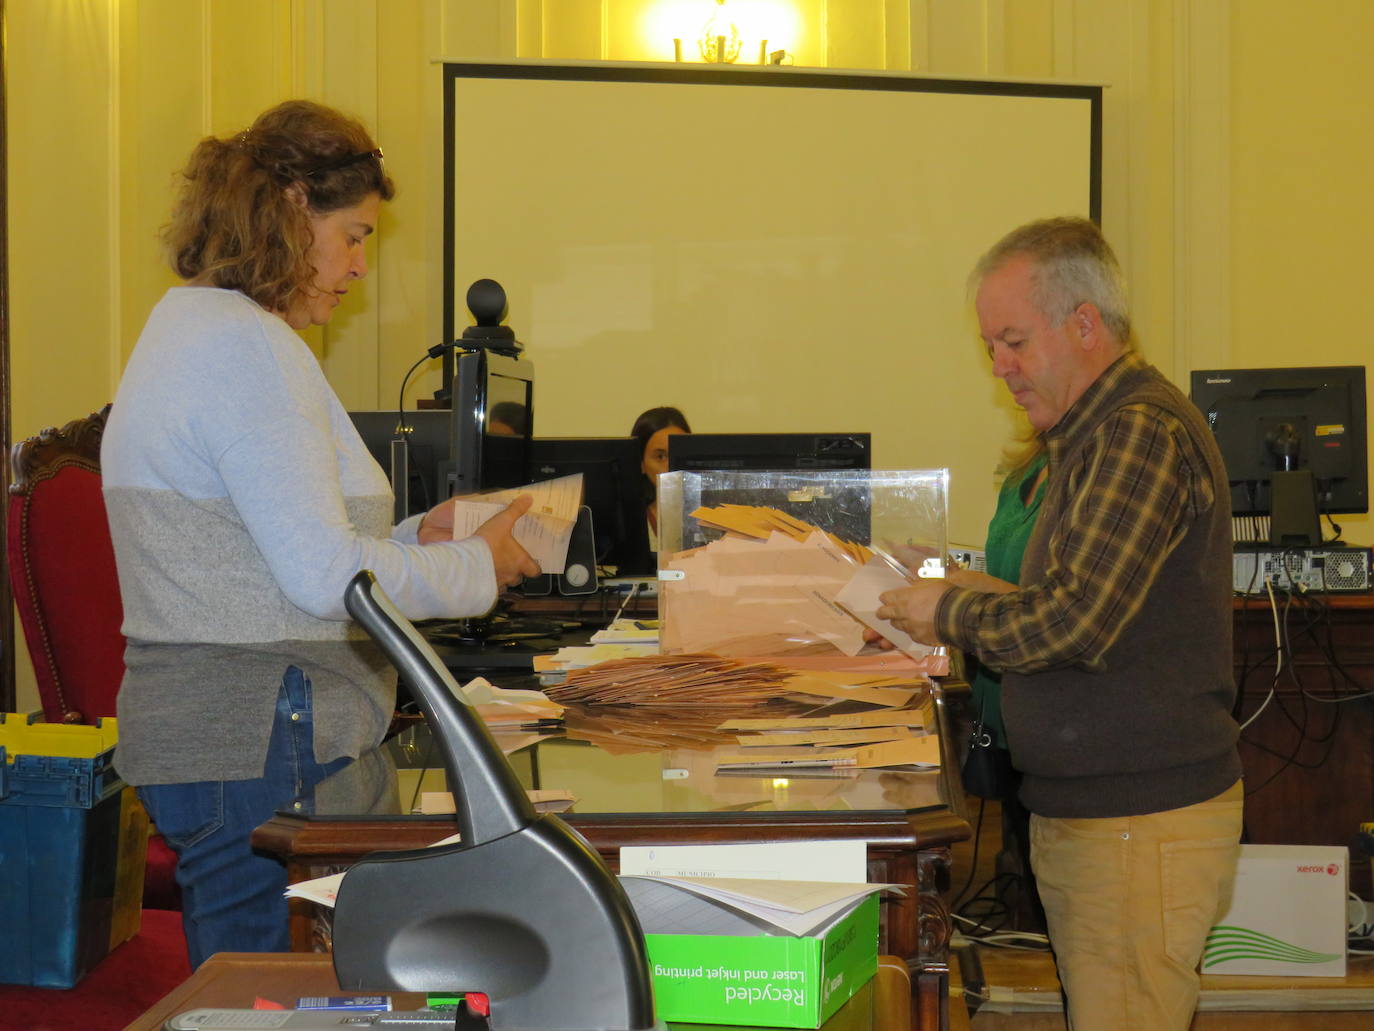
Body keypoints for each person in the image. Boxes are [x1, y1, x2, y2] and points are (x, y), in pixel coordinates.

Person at [101, 100, 540, 968]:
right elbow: (320, 574)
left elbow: (262, 547)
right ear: (292, 209)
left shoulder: (199, 328)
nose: (360, 266)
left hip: (234, 734)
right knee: (278, 1005)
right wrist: (473, 568)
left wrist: (423, 535)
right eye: (354, 235)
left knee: (264, 998)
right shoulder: (243, 349)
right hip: (260, 735)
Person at [875, 216, 1242, 1030]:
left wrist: (941, 607)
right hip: (1105, 821)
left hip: (1135, 830)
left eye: (1013, 341)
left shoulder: (1137, 433)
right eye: (990, 346)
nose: (1001, 367)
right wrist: (944, 576)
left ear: (1084, 324)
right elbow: (1060, 594)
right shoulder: (1092, 437)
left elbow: (1072, 623)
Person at [629, 405, 692, 552]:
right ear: (641, 464)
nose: (671, 465)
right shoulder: (628, 523)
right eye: (660, 456)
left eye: (679, 453)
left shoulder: (712, 518)